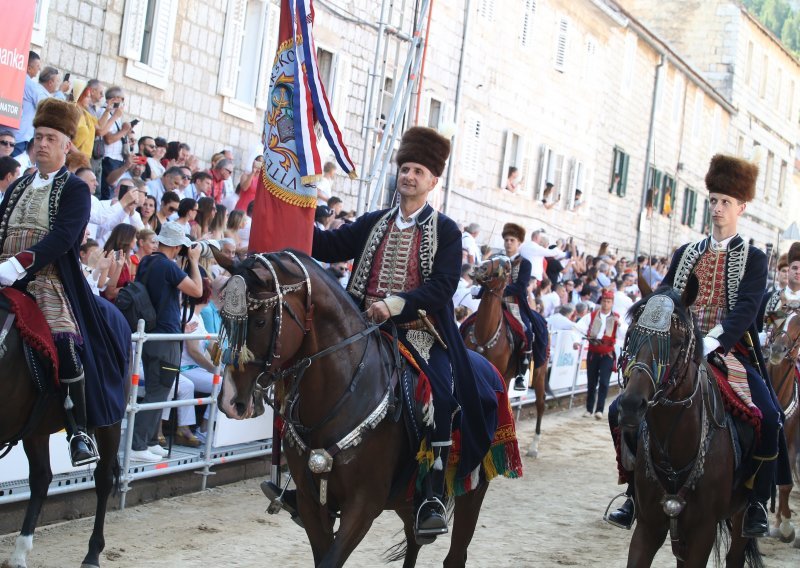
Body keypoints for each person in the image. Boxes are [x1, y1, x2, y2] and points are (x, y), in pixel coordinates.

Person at [312, 126, 498, 541]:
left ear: (433, 181)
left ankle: (431, 493)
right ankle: (303, 481)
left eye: (417, 171)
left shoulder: (446, 231)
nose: (408, 176)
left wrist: (394, 304)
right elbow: (326, 247)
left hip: (419, 333)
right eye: (405, 168)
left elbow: (442, 287)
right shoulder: (374, 222)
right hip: (362, 331)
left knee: (443, 397)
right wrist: (296, 207)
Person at [606, 154, 788, 538]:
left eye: (726, 202)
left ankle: (754, 503)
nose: (718, 208)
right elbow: (662, 299)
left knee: (770, 417)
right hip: (677, 350)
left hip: (731, 351)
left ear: (741, 207)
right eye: (714, 200)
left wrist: (715, 339)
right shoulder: (685, 253)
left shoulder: (753, 259)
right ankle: (633, 494)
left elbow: (747, 309)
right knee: (620, 409)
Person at [0, 98, 129, 466]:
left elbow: (64, 237)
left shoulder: (74, 189)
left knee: (66, 341)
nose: (40, 143)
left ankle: (77, 432)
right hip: (3, 271)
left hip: (48, 279)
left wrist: (18, 264)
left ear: (67, 145)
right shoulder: (16, 186)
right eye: (37, 136)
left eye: (50, 138)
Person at [129, 222, 203, 462]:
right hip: (166, 337)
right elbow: (197, 290)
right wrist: (193, 261)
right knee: (158, 391)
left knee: (158, 389)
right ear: (178, 245)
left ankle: (150, 441)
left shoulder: (148, 261)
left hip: (152, 334)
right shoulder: (167, 266)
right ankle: (137, 445)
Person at [574, 289, 625, 420]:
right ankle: (589, 409)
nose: (606, 304)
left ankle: (600, 410)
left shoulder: (616, 317)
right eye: (604, 301)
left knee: (603, 382)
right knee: (591, 382)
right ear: (601, 301)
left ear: (612, 303)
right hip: (593, 353)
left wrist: (619, 325)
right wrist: (576, 341)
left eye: (608, 301)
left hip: (607, 354)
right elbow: (579, 328)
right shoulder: (591, 316)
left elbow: (623, 334)